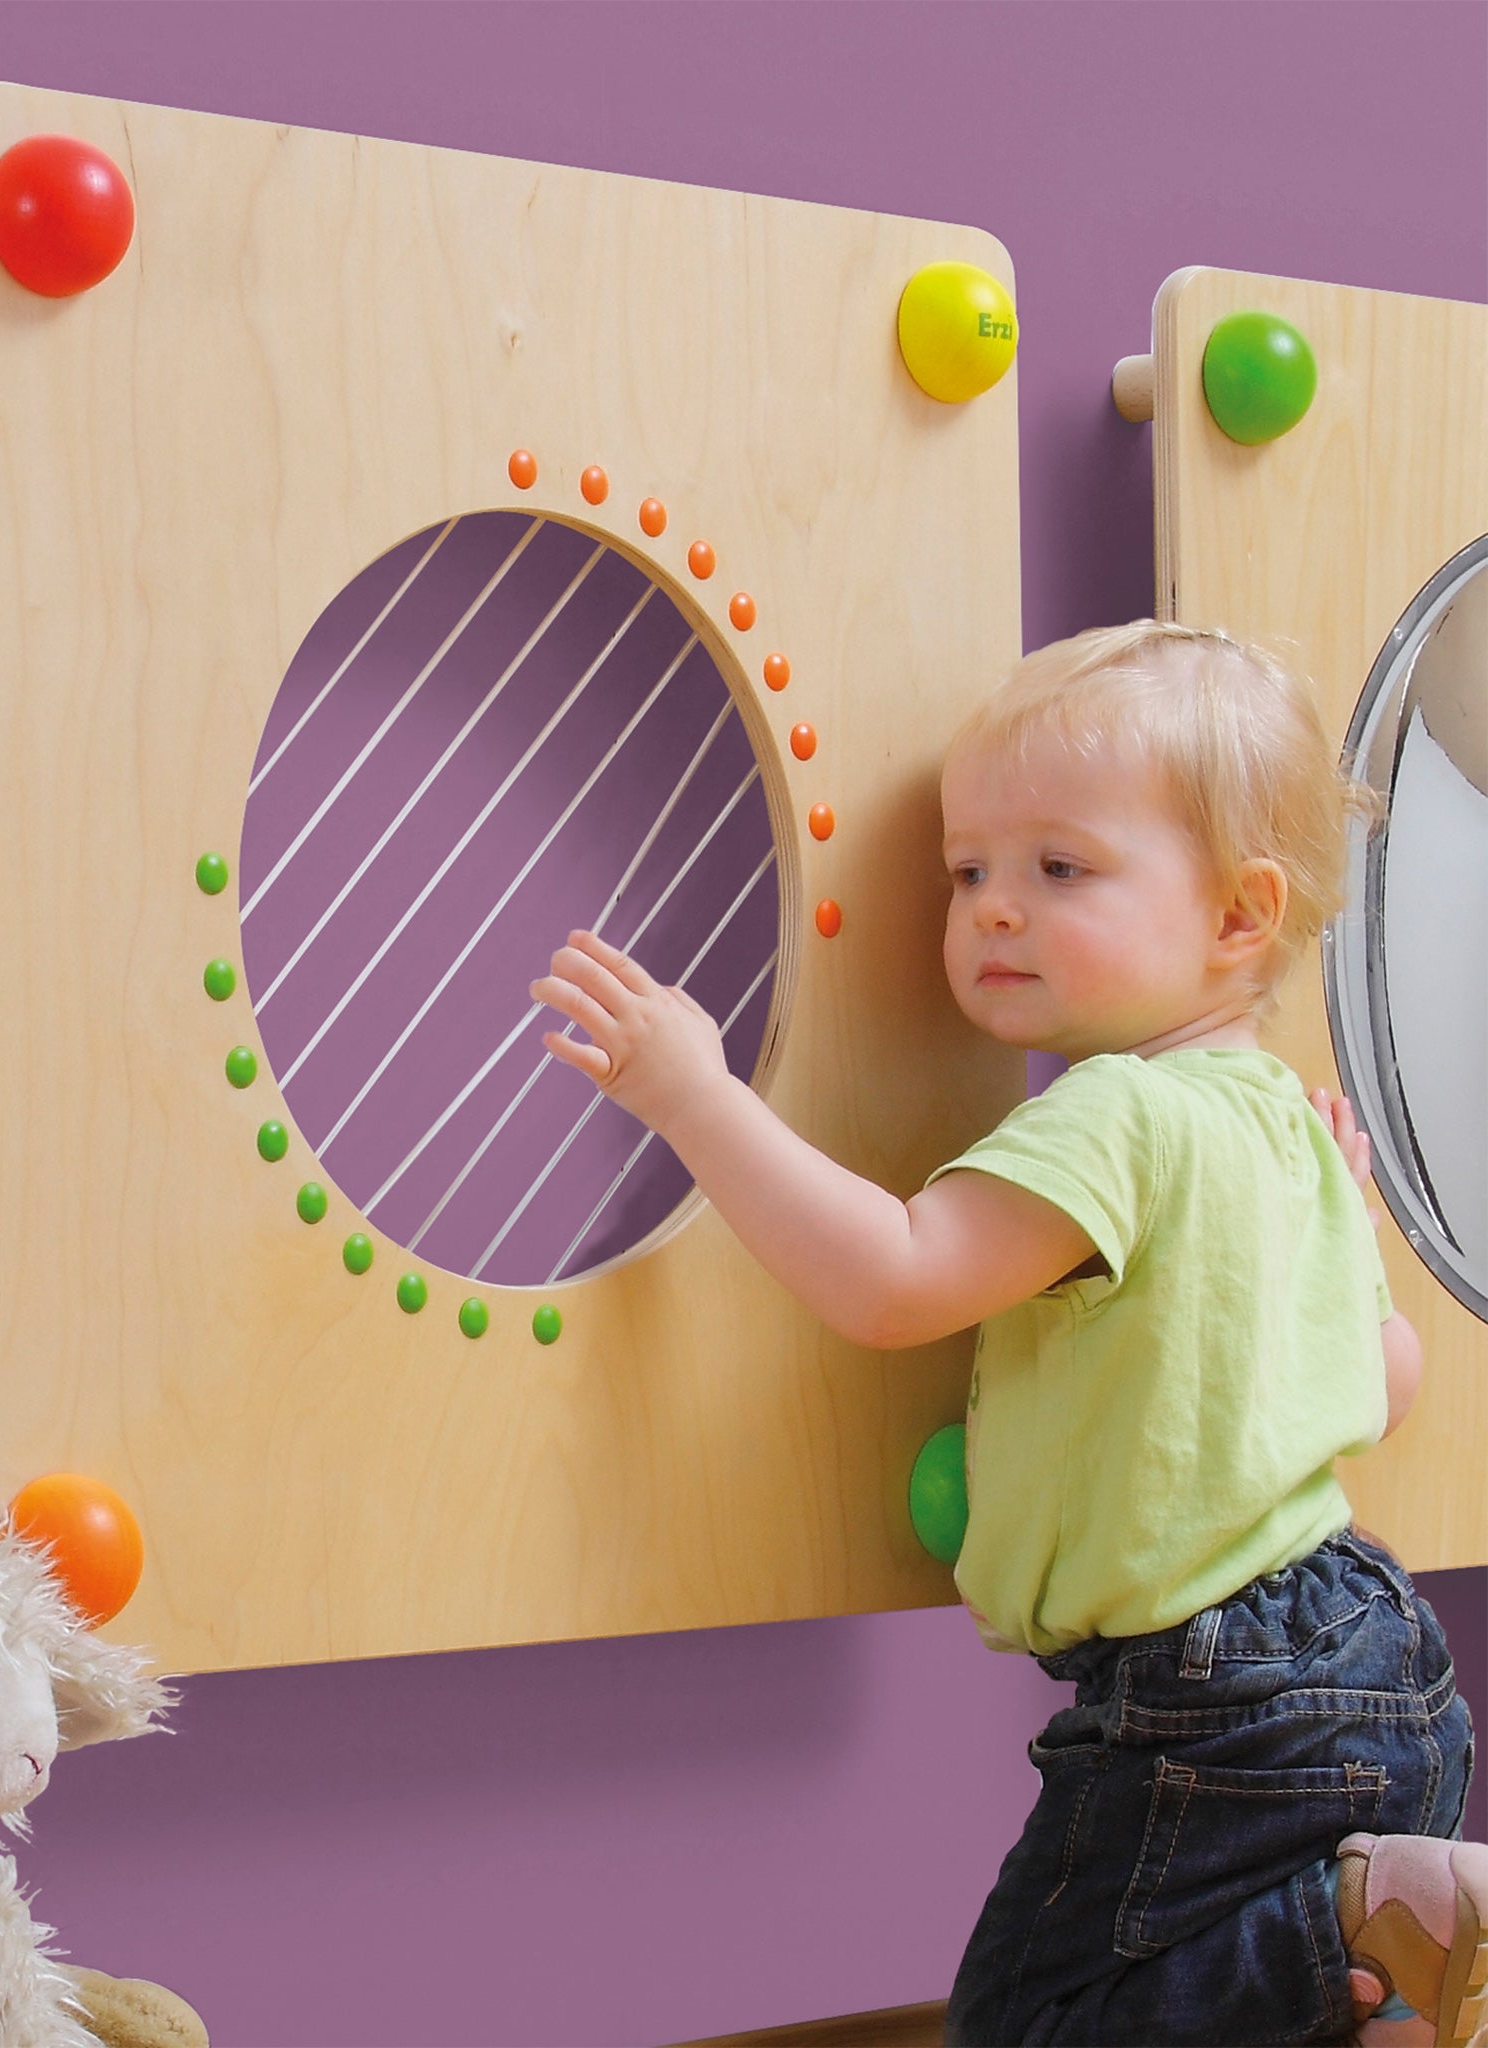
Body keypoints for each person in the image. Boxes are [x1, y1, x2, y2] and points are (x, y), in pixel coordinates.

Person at [531, 621, 1484, 2046]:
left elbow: (894, 1278)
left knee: (1035, 2018)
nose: (989, 908)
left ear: (1237, 916)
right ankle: (1392, 1922)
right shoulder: (1290, 1129)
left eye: (1058, 869)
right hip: (1372, 1648)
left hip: (1207, 1690)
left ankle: (1350, 1923)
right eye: (967, 870)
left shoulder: (1114, 1114)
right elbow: (1387, 1383)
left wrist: (695, 1100)